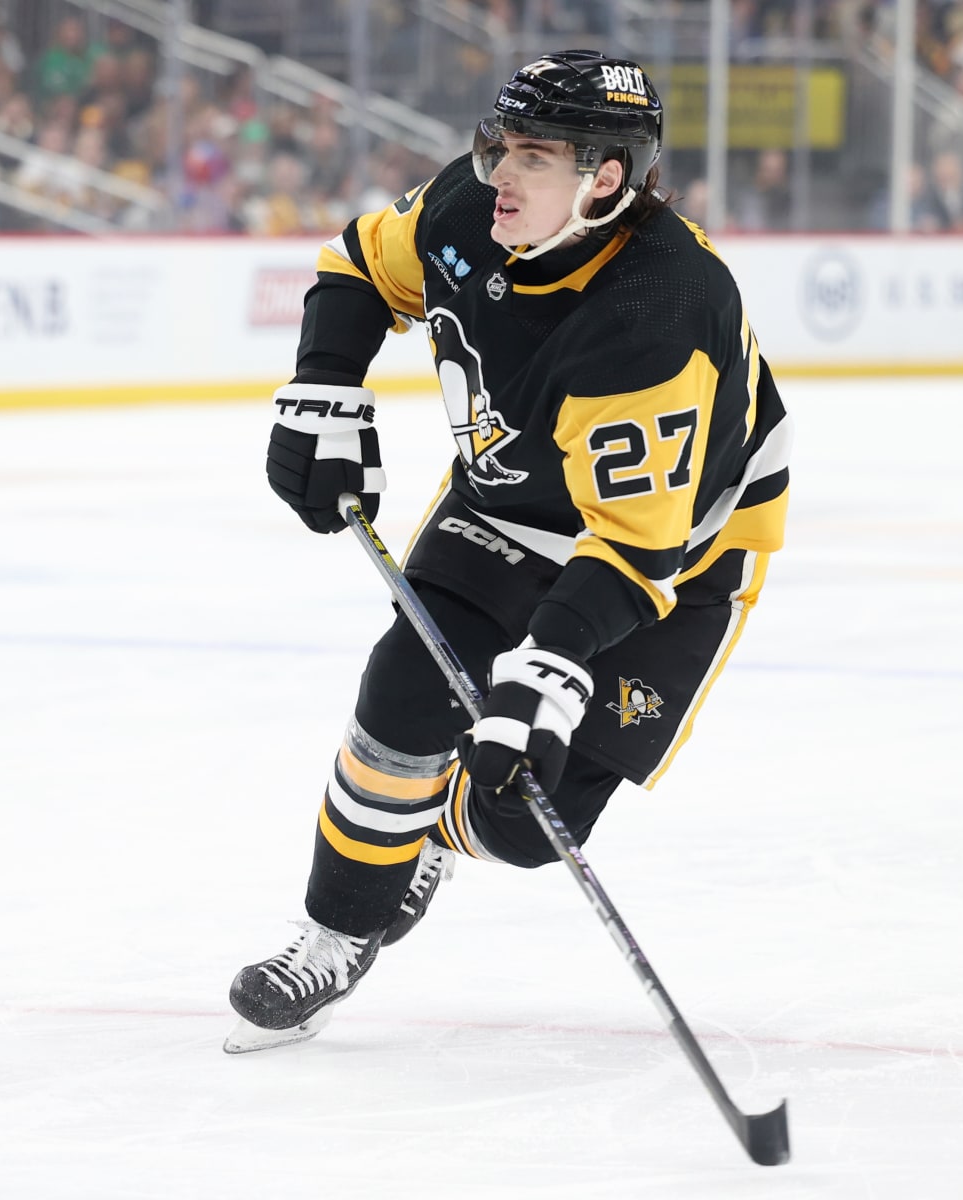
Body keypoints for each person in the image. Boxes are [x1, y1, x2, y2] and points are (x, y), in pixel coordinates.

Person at [225, 50, 791, 1052]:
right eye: (500, 145)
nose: (499, 174)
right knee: (400, 697)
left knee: (525, 824)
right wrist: (326, 389)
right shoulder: (466, 207)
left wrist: (549, 667)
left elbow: (632, 549)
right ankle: (334, 931)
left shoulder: (659, 315)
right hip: (508, 505)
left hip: (680, 553)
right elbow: (361, 267)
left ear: (605, 177)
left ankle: (434, 832)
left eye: (534, 156)